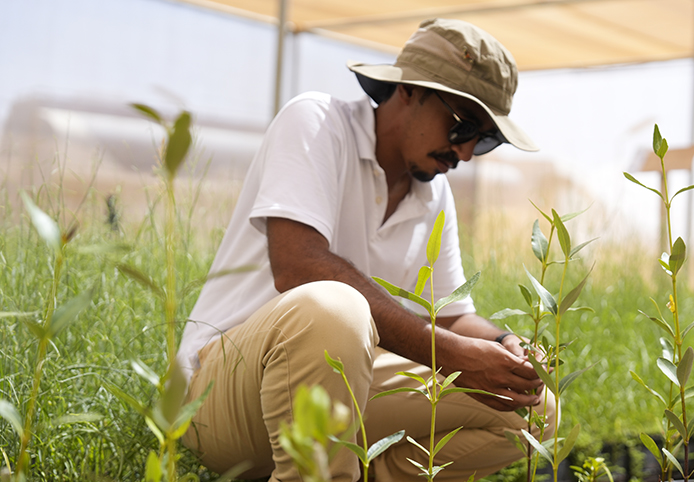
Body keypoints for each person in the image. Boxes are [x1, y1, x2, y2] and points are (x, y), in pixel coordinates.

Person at [178, 17, 556, 482]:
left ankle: (348, 473)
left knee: (533, 411)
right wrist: (452, 355)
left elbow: (452, 316)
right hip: (227, 396)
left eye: (485, 140)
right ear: (410, 91)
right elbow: (298, 266)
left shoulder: (433, 194)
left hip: (347, 389)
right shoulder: (316, 122)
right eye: (463, 127)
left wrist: (502, 347)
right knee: (333, 309)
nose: (464, 153)